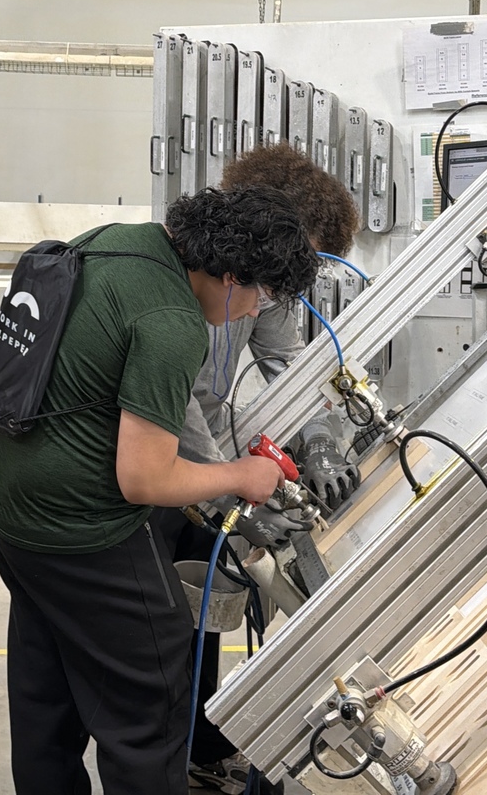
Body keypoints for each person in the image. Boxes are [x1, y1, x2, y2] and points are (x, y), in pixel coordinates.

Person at [0, 185, 319, 795]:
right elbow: (145, 478)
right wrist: (240, 475)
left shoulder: (117, 242)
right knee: (151, 705)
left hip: (5, 506)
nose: (256, 309)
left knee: (46, 689)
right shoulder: (173, 322)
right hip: (81, 530)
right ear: (229, 273)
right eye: (259, 293)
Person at [154, 144, 361, 795]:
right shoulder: (191, 271)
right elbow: (174, 395)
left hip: (205, 449)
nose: (293, 281)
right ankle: (163, 761)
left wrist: (325, 443)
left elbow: (293, 366)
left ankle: (206, 749)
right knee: (161, 626)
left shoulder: (266, 289)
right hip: (159, 453)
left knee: (207, 601)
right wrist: (226, 486)